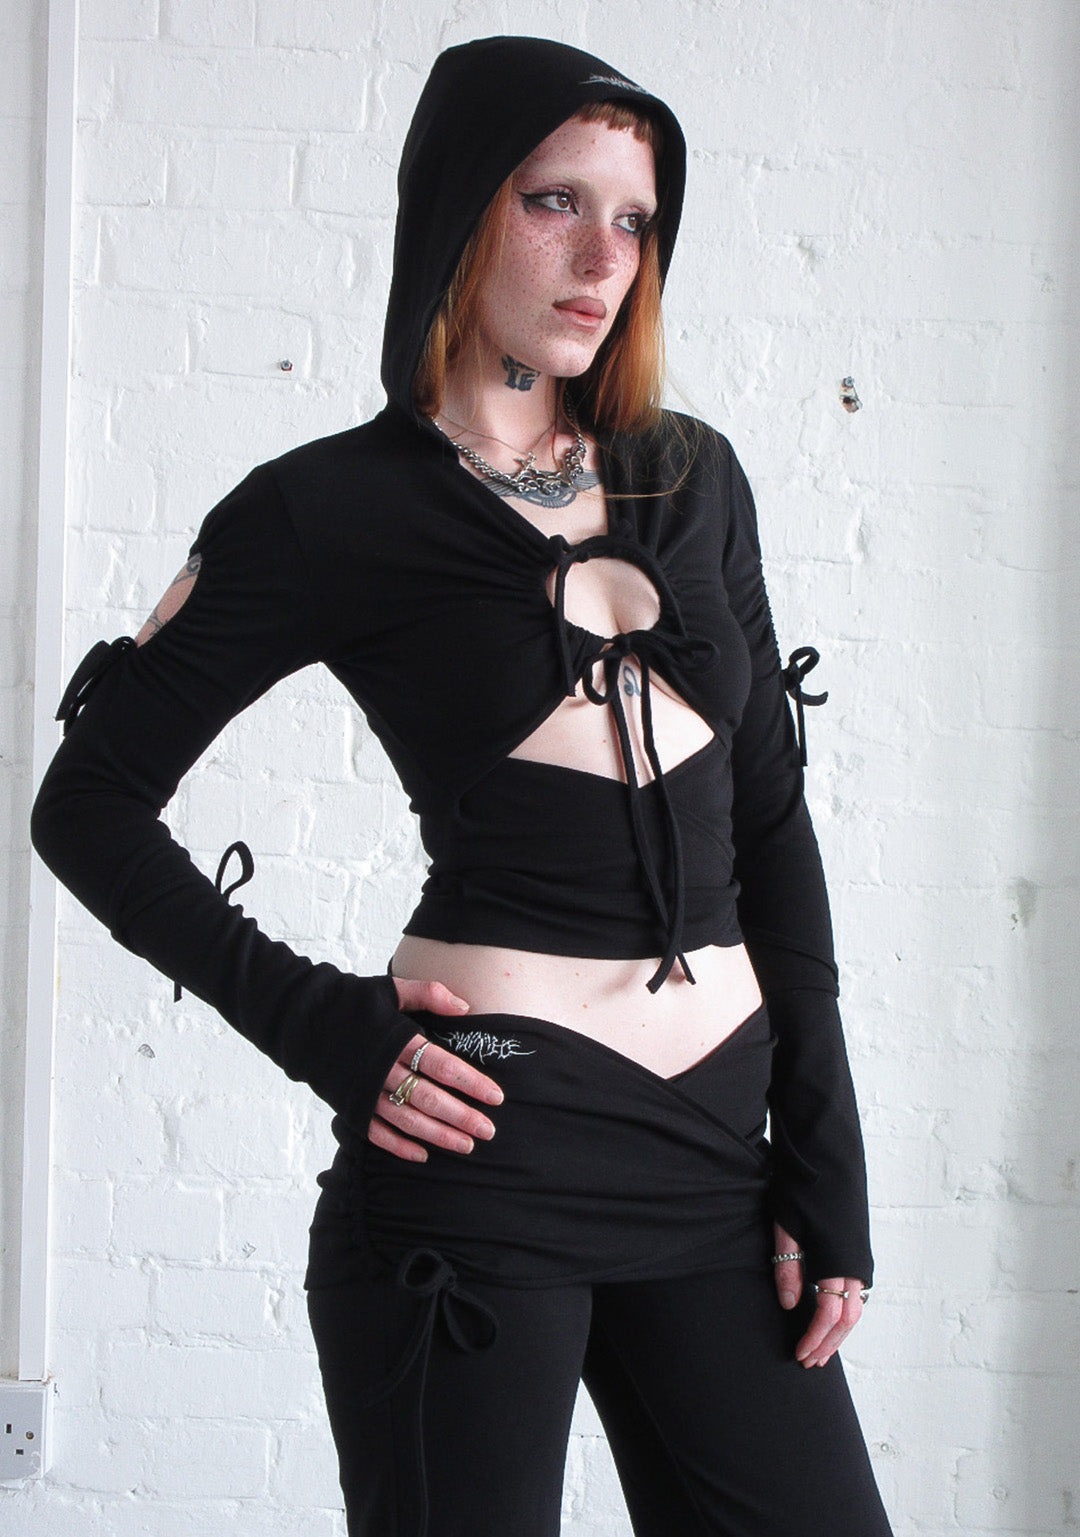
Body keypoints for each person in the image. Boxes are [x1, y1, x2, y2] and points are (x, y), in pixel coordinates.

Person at [31, 35, 893, 1537]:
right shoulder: (327, 510)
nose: (603, 258)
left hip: (717, 1160)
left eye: (634, 219)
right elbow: (86, 803)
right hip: (483, 1153)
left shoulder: (696, 479)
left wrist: (825, 1158)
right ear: (457, 208)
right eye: (555, 202)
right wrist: (328, 1027)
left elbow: (768, 823)